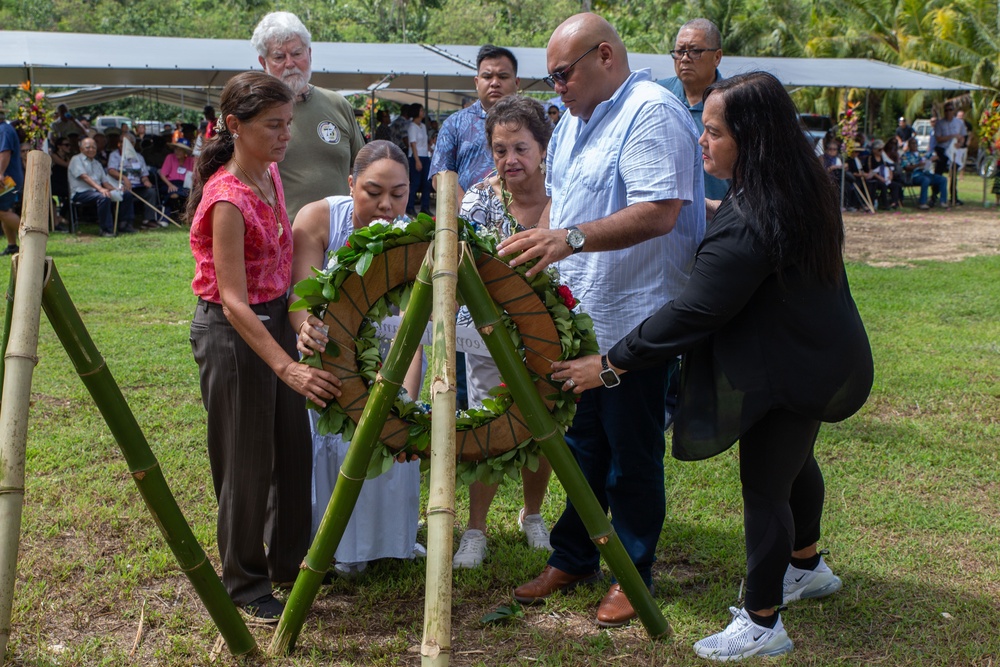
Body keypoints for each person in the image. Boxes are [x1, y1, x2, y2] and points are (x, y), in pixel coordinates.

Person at [550, 71, 873, 661]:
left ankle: (762, 621)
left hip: (790, 370)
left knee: (766, 486)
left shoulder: (752, 221)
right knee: (796, 464)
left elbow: (693, 311)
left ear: (752, 140)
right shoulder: (795, 189)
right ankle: (807, 566)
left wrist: (612, 363)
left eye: (715, 133)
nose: (702, 142)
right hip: (820, 354)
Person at [503, 13, 705, 628]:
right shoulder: (572, 124)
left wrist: (569, 240)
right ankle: (574, 556)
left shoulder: (650, 111)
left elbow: (661, 211)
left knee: (630, 453)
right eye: (551, 77)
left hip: (637, 320)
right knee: (581, 445)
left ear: (606, 56)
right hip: (582, 318)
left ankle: (631, 570)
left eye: (562, 73)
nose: (555, 86)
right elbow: (564, 208)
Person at [188, 71, 341, 623]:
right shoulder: (225, 198)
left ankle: (288, 563)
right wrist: (286, 367)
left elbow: (281, 271)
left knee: (292, 450)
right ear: (235, 127)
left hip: (274, 319)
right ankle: (245, 582)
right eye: (273, 125)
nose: (285, 136)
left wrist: (296, 326)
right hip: (233, 334)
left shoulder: (270, 174)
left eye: (288, 124)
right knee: (246, 461)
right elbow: (232, 300)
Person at [290, 140, 423, 577]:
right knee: (331, 436)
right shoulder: (318, 218)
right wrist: (307, 328)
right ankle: (329, 543)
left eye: (399, 194)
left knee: (390, 425)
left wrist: (403, 399)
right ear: (350, 184)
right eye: (372, 191)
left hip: (388, 354)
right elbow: (299, 298)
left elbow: (411, 329)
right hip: (325, 353)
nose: (387, 205)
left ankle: (385, 541)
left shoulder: (414, 238)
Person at [450, 96, 556, 570]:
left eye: (520, 148)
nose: (509, 160)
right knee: (487, 426)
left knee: (545, 425)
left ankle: (533, 516)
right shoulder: (478, 199)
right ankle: (475, 529)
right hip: (487, 336)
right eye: (499, 149)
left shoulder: (567, 193)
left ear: (543, 148)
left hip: (551, 336)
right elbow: (465, 269)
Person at [252, 11, 365, 220]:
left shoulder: (337, 104)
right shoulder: (253, 112)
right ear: (263, 62)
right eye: (279, 57)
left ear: (310, 54)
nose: (289, 63)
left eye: (297, 53)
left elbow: (361, 168)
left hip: (342, 240)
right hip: (283, 241)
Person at [429, 44, 521, 207]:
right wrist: (468, 209)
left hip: (525, 222)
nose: (495, 83)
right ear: (477, 82)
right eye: (487, 76)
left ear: (517, 82)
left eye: (503, 76)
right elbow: (440, 175)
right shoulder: (455, 124)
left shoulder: (534, 123)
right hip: (470, 225)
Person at [658, 18, 730, 209]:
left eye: (695, 51)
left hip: (720, 224)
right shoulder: (657, 97)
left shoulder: (733, 102)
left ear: (717, 57)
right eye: (680, 51)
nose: (685, 58)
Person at [68, 137, 136, 237]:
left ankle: (124, 225)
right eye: (88, 147)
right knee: (103, 197)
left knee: (126, 194)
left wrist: (116, 189)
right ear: (81, 149)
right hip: (80, 193)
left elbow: (105, 182)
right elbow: (84, 177)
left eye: (93, 147)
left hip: (96, 191)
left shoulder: (97, 163)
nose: (91, 149)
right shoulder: (76, 159)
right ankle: (106, 230)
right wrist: (100, 189)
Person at [108, 136, 163, 228]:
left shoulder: (139, 157)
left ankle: (148, 220)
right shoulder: (115, 155)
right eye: (121, 142)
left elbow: (144, 174)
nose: (123, 144)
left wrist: (146, 180)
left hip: (138, 186)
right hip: (121, 186)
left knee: (151, 192)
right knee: (127, 194)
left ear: (133, 144)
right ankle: (126, 222)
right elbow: (111, 170)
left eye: (127, 143)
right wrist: (124, 178)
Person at [899, 137, 948, 210]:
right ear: (909, 145)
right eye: (912, 143)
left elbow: (934, 156)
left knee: (942, 179)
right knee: (925, 180)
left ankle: (943, 201)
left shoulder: (922, 153)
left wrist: (931, 159)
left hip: (926, 173)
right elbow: (906, 167)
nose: (915, 145)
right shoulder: (906, 156)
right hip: (914, 175)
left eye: (916, 143)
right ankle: (922, 203)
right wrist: (918, 165)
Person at [0, 111, 23, 255]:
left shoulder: (3, 130)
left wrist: (0, 172)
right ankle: (12, 245)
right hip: (8, 177)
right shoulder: (5, 129)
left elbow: (5, 153)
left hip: (8, 179)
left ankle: (32, 239)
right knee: (5, 210)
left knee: (1, 211)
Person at [406, 103, 431, 216]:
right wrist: (417, 160)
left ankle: (425, 207)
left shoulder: (423, 126)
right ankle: (410, 206)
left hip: (425, 156)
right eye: (421, 110)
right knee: (415, 183)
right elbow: (413, 144)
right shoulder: (412, 127)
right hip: (416, 157)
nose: (423, 112)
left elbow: (424, 142)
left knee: (427, 183)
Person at [863, 139, 902, 210]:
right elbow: (870, 171)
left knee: (895, 185)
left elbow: (889, 167)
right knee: (882, 185)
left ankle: (894, 203)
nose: (881, 151)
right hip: (875, 178)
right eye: (879, 150)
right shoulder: (870, 158)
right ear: (874, 150)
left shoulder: (883, 158)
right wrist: (880, 178)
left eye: (882, 149)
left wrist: (890, 176)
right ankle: (885, 204)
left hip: (885, 178)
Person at [160, 137, 194, 216]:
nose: (177, 152)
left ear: (185, 152)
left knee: (190, 193)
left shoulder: (191, 160)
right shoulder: (170, 157)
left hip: (185, 185)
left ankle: (184, 214)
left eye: (180, 150)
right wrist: (170, 185)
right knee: (174, 194)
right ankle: (174, 214)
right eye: (176, 149)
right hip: (170, 183)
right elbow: (162, 174)